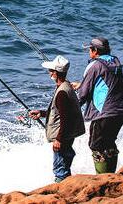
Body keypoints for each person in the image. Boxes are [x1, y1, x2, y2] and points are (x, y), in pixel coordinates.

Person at [72, 37, 123, 174]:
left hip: (104, 113)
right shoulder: (115, 62)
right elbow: (106, 83)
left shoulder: (94, 65)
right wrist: (82, 84)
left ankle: (102, 178)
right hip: (120, 111)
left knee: (96, 145)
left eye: (90, 49)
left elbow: (83, 94)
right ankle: (111, 175)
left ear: (95, 50)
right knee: (109, 143)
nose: (89, 52)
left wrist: (72, 109)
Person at [30, 55, 85, 183]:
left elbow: (66, 118)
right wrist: (42, 114)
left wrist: (59, 139)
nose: (49, 73)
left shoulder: (61, 92)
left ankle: (62, 187)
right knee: (64, 164)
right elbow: (61, 112)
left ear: (55, 73)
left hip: (63, 136)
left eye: (51, 71)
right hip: (67, 134)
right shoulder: (67, 86)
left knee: (60, 168)